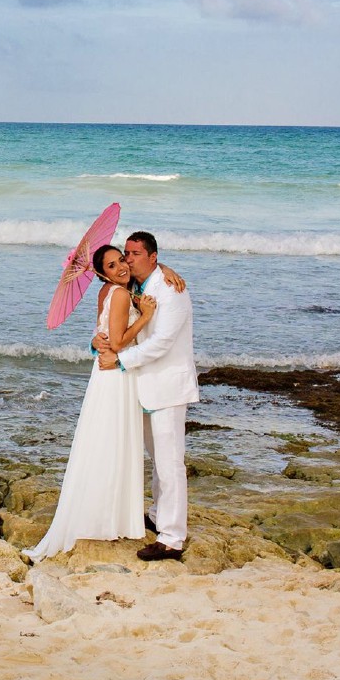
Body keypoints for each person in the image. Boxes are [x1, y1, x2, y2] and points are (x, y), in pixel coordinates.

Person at [23, 244, 154, 562]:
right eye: (112, 265)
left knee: (102, 441)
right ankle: (110, 518)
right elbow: (120, 341)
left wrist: (100, 341)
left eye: (121, 260)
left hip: (104, 375)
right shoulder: (120, 295)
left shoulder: (108, 293)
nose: (121, 267)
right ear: (101, 274)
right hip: (116, 377)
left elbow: (103, 333)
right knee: (114, 441)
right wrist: (145, 316)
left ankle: (104, 513)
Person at [95, 230, 198, 562]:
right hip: (141, 386)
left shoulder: (171, 290)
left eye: (135, 253)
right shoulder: (133, 287)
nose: (127, 259)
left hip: (167, 386)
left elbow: (163, 342)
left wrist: (120, 361)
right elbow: (116, 330)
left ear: (153, 256)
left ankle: (171, 538)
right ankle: (156, 514)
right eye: (125, 253)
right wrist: (100, 342)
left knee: (170, 463)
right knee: (157, 458)